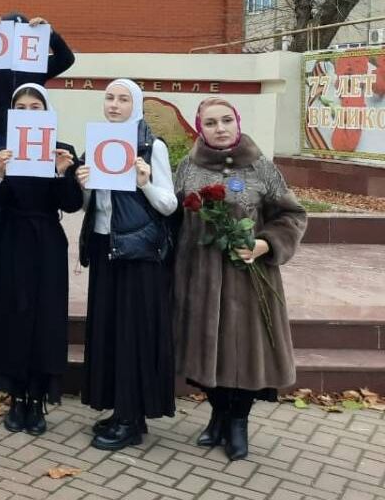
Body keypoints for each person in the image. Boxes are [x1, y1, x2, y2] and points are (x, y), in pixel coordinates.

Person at [174, 97, 306, 461]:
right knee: (204, 353)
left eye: (226, 120)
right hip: (198, 280)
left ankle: (238, 424)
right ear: (201, 128)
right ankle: (217, 414)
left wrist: (266, 243)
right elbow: (171, 216)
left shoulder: (260, 166)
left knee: (244, 355)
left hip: (248, 280)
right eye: (211, 123)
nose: (220, 128)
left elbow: (292, 215)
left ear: (237, 122)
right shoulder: (187, 167)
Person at [75, 80, 177, 451]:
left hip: (137, 253)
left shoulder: (152, 147)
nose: (115, 105)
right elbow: (94, 207)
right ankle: (122, 410)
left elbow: (168, 205)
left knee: (133, 334)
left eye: (123, 99)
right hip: (105, 248)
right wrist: (83, 185)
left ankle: (132, 420)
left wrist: (145, 182)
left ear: (136, 105)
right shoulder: (98, 143)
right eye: (109, 98)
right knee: (110, 331)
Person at [0, 84, 82, 436]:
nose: (28, 112)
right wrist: (0, 173)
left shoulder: (61, 149)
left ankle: (38, 400)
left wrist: (62, 172)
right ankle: (16, 397)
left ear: (46, 110)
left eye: (35, 106)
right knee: (13, 315)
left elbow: (69, 204)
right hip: (9, 241)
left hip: (47, 243)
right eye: (20, 106)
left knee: (44, 318)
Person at [0, 13, 76, 284]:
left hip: (34, 133)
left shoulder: (36, 63)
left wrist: (49, 34)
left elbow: (66, 59)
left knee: (34, 194)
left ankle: (29, 252)